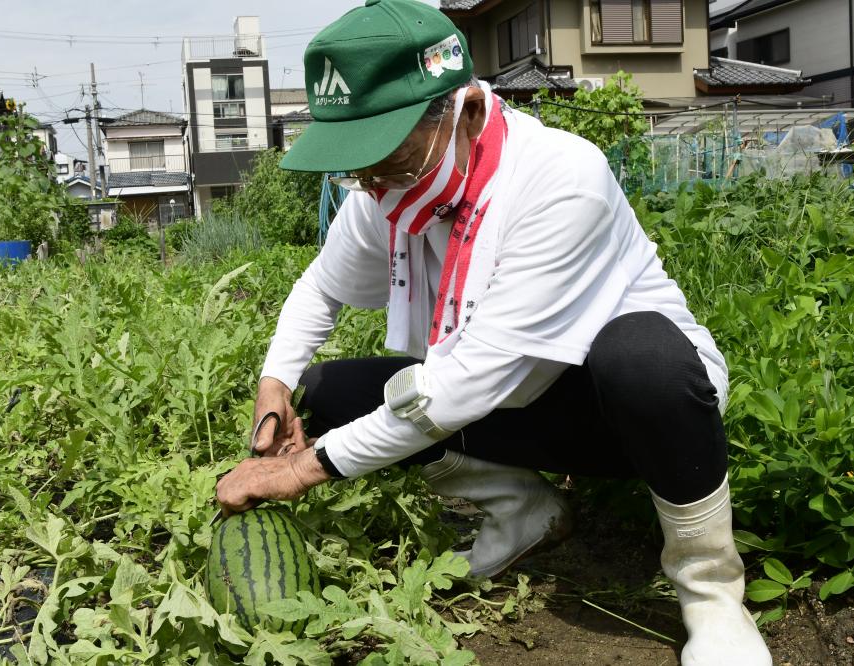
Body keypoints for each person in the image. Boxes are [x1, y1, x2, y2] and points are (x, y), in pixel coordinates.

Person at [215, 1, 772, 664]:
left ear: (467, 112)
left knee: (642, 358)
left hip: (630, 417)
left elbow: (465, 382)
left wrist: (304, 470)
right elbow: (320, 288)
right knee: (324, 391)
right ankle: (523, 510)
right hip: (511, 402)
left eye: (388, 156)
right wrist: (273, 385)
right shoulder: (385, 195)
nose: (371, 183)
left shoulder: (561, 178)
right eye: (356, 162)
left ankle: (710, 590)